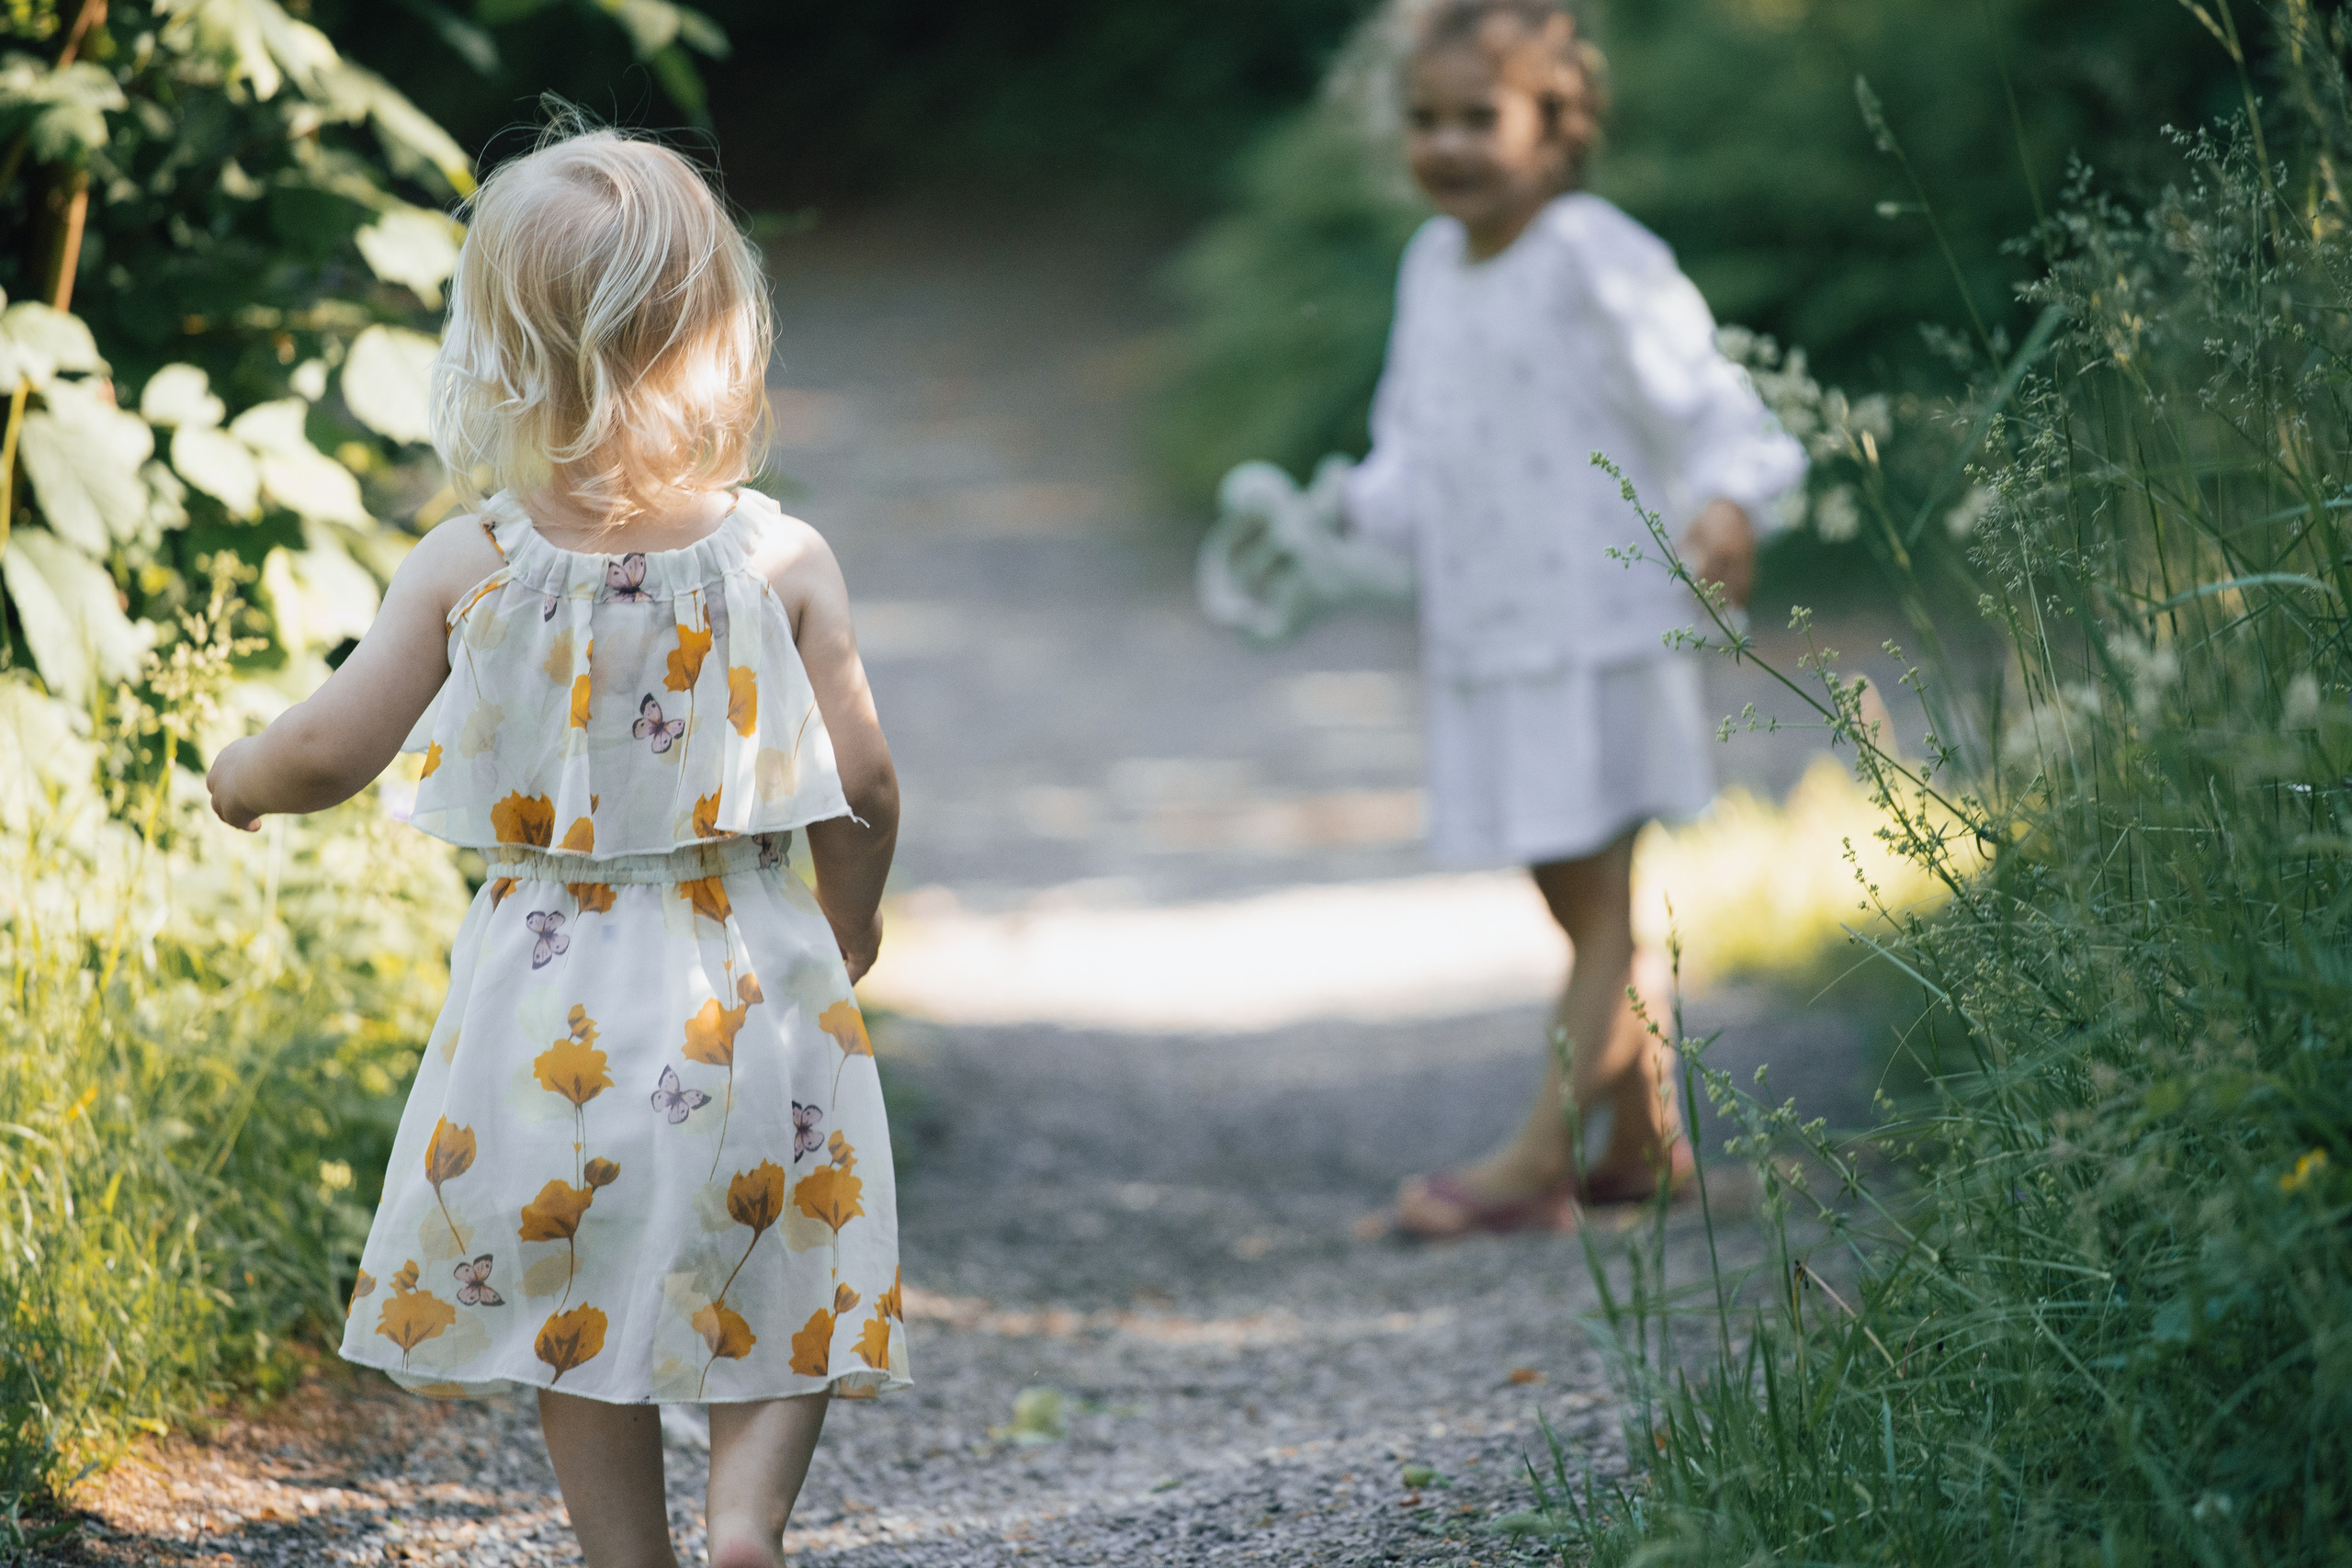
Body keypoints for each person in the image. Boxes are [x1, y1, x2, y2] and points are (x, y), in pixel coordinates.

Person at [205, 125, 906, 1568]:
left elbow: (333, 747)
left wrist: (240, 779)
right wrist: (852, 923)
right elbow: (869, 784)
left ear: (496, 351)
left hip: (550, 995)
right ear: (724, 336)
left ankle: (623, 1554)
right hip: (752, 973)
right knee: (781, 1257)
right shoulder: (783, 559)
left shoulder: (475, 561)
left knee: (581, 1293)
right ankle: (745, 1523)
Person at [1344, 0, 1805, 1240]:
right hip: (1493, 635)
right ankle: (1643, 1147)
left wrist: (1728, 496)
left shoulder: (1593, 252)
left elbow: (1705, 394)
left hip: (1601, 623)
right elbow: (1410, 449)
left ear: (1557, 128)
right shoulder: (1431, 270)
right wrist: (1334, 517)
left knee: (1599, 904)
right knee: (1569, 887)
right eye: (1424, 119)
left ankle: (1536, 1159)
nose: (1446, 145)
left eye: (1477, 119)